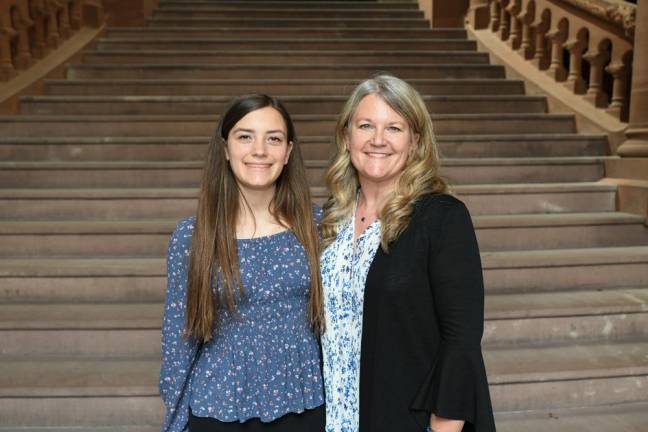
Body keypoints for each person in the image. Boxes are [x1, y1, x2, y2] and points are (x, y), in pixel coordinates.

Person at [319, 75, 496, 432]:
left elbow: (461, 343)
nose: (378, 140)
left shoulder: (442, 218)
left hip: (407, 419)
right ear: (346, 136)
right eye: (366, 125)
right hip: (335, 418)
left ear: (415, 141)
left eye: (394, 128)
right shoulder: (328, 221)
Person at [159, 94, 326, 432]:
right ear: (225, 148)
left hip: (304, 402)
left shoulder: (320, 227)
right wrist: (174, 421)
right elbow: (179, 338)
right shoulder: (193, 236)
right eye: (245, 136)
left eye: (273, 138)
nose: (259, 150)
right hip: (218, 405)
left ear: (289, 152)